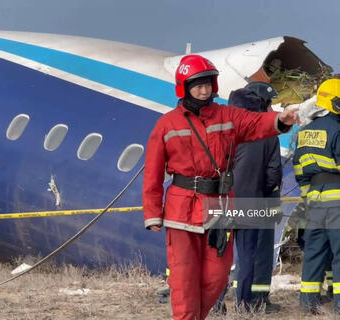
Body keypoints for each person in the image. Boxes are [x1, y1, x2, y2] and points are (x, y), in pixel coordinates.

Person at [143, 54, 298, 320]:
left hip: (219, 207)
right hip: (182, 209)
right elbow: (153, 172)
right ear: (184, 87)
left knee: (216, 277)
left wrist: (280, 119)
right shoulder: (167, 124)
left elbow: (255, 123)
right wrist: (153, 212)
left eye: (208, 84)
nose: (204, 91)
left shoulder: (227, 116)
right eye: (198, 85)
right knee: (184, 279)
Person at [220, 83, 283, 313]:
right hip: (252, 201)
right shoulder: (267, 132)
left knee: (219, 255)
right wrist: (261, 190)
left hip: (221, 200)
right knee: (247, 255)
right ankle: (244, 305)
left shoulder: (222, 127)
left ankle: (216, 305)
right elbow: (273, 173)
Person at [293, 78, 340, 314]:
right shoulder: (338, 129)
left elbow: (299, 170)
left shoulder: (305, 132)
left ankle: (308, 304)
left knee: (314, 253)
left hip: (314, 202)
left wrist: (309, 197)